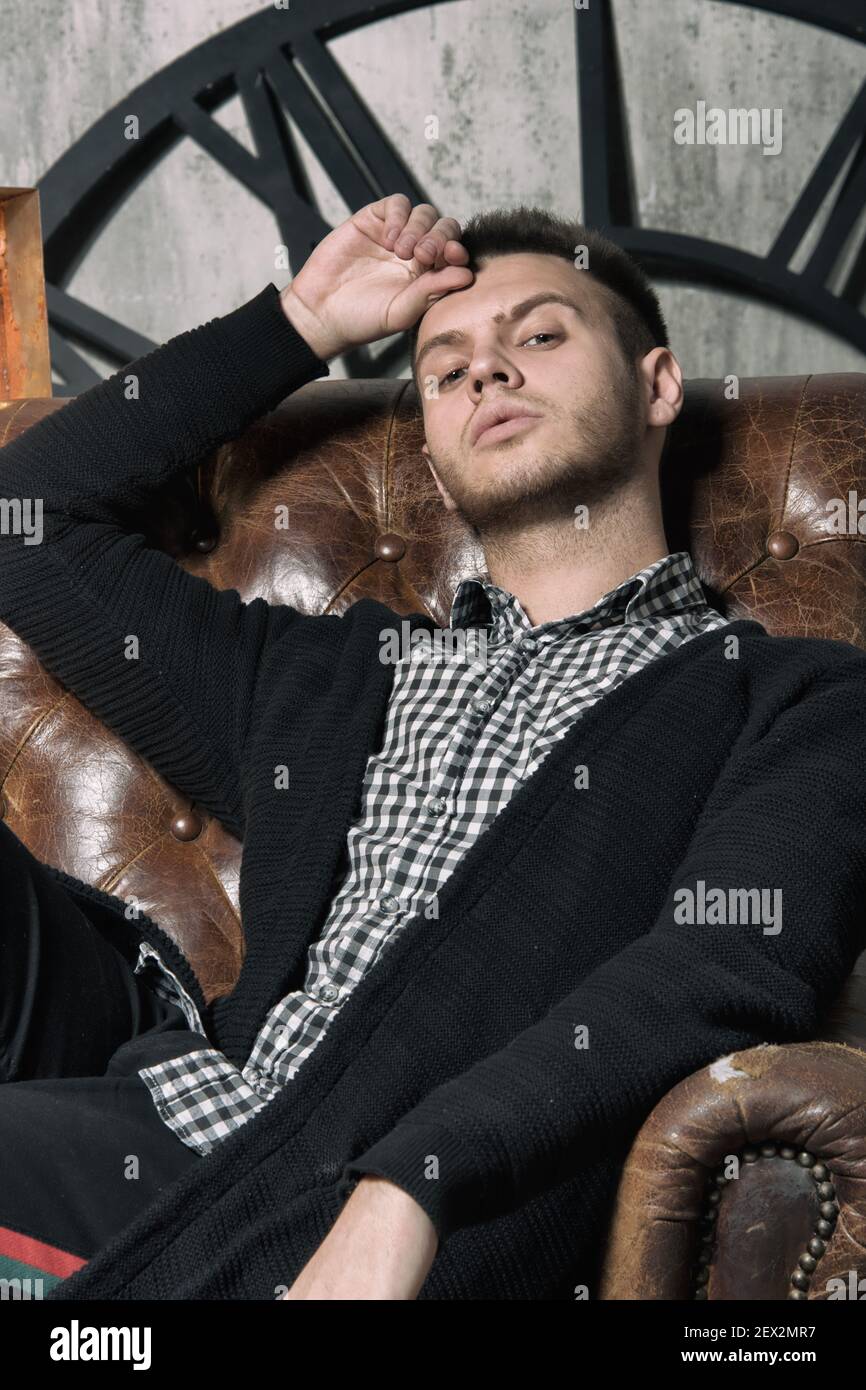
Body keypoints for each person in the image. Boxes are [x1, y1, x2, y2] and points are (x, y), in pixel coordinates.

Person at [0, 196, 863, 1302]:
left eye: (538, 336)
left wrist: (411, 1184)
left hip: (354, 1196)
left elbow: (718, 970)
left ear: (656, 386)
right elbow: (30, 514)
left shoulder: (793, 704)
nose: (484, 374)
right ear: (432, 449)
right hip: (179, 1107)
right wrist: (301, 321)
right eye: (445, 368)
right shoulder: (324, 679)